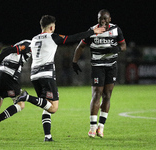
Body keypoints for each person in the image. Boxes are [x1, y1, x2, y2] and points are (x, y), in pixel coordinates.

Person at [14, 15, 105, 141]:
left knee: (46, 105)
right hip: (46, 75)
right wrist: (91, 32)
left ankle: (48, 136)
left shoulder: (34, 39)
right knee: (53, 108)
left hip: (34, 75)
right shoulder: (52, 36)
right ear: (51, 27)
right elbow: (73, 38)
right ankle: (27, 97)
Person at [72, 9, 126, 138]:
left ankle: (101, 127)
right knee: (97, 94)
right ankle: (92, 127)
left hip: (111, 66)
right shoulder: (92, 31)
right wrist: (74, 61)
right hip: (97, 66)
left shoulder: (116, 30)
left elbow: (124, 46)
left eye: (105, 18)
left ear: (110, 19)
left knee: (107, 95)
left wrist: (117, 48)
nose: (102, 21)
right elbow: (80, 46)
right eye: (100, 18)